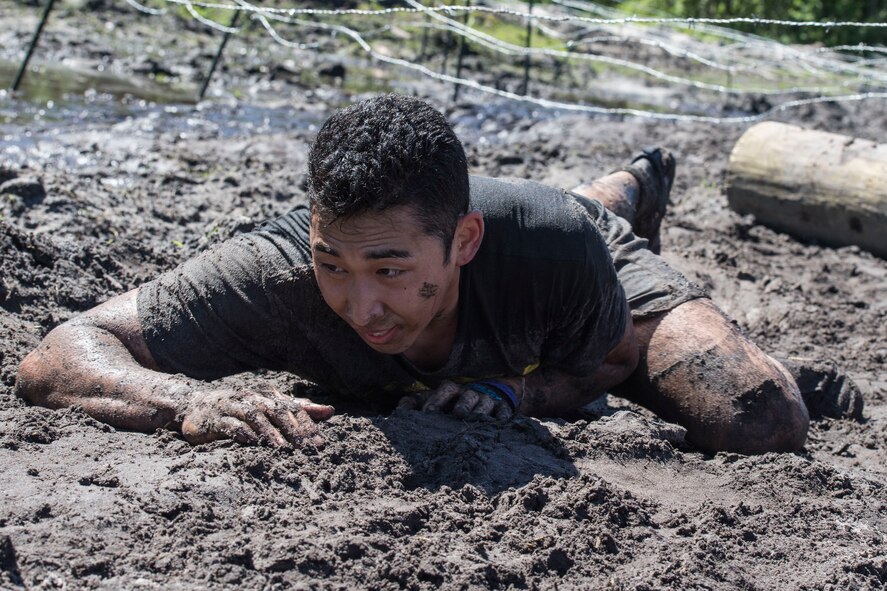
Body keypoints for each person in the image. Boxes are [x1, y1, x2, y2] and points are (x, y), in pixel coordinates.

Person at [15, 94, 813, 454]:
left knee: (756, 416)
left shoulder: (551, 252)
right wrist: (188, 399)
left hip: (574, 260)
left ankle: (619, 198)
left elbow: (604, 361)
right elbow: (58, 352)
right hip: (518, 226)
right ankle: (611, 188)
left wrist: (515, 392)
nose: (361, 304)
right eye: (336, 263)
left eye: (390, 270)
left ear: (462, 242)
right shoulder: (277, 272)